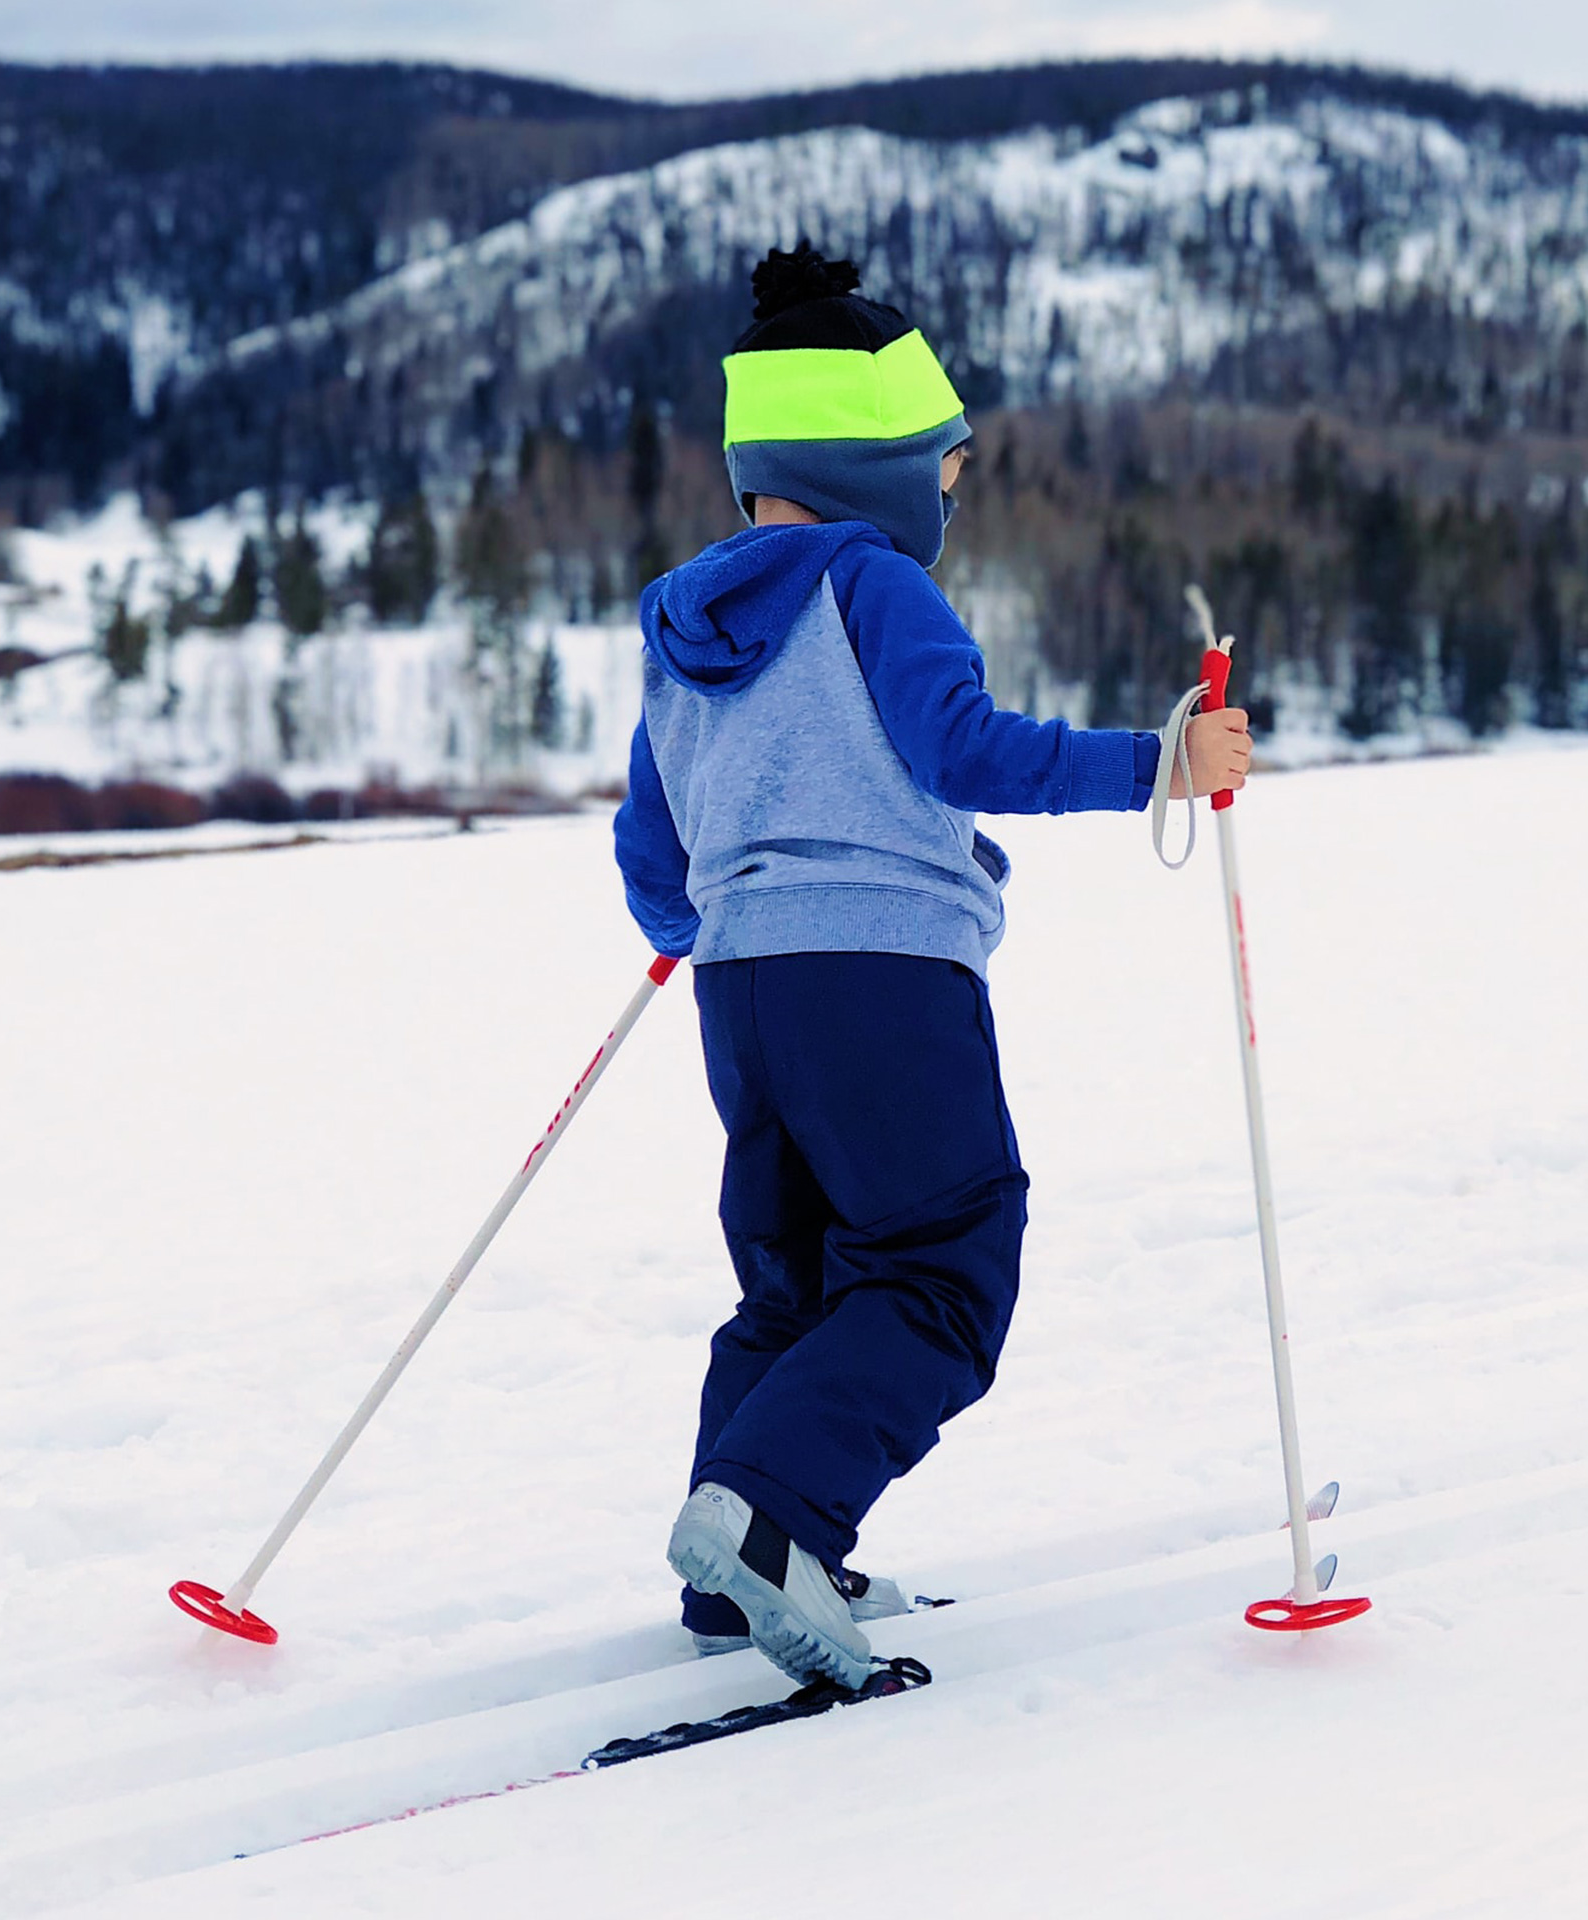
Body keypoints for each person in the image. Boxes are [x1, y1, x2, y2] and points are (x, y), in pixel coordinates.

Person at [611, 239, 1251, 1691]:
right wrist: (1160, 762)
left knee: (798, 1277)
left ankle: (749, 1564)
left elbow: (652, 841)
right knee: (944, 1259)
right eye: (947, 473)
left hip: (743, 993)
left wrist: (683, 927)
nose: (950, 503)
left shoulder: (683, 621)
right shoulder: (872, 581)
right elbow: (966, 750)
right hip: (885, 975)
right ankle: (774, 1521)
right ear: (882, 460)